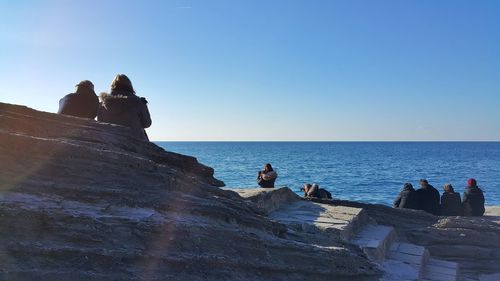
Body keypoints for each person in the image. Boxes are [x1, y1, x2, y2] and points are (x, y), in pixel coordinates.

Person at [97, 74, 152, 141]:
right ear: (130, 86)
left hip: (111, 142)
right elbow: (147, 123)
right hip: (136, 142)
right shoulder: (138, 102)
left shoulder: (103, 104)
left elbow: (100, 124)